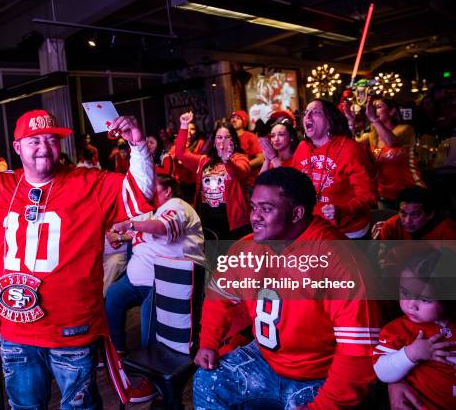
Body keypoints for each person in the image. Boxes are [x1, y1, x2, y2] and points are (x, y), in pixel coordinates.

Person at [0, 109, 155, 409]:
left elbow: (140, 194)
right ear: (17, 147)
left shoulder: (88, 182)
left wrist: (138, 146)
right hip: (16, 328)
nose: (44, 147)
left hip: (73, 328)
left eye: (52, 140)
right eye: (34, 140)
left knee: (78, 407)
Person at [193, 167, 380, 409]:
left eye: (267, 209)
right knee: (207, 381)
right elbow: (219, 295)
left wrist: (321, 407)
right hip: (265, 358)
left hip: (320, 373)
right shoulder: (247, 247)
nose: (255, 216)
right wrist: (208, 341)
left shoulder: (338, 258)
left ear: (296, 213)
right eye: (253, 207)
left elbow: (358, 351)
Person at [105, 175, 205, 402]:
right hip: (136, 279)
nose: (148, 193)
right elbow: (138, 234)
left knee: (149, 312)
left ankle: (152, 378)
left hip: (170, 282)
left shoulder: (177, 206)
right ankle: (119, 352)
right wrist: (120, 237)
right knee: (112, 295)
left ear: (168, 190)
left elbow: (161, 228)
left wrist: (129, 224)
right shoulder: (152, 212)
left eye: (154, 189)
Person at [373, 247, 456, 409]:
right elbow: (381, 371)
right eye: (405, 293)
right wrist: (411, 354)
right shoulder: (399, 329)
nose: (411, 305)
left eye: (425, 300)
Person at [292, 99, 377, 239]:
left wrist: (341, 210)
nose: (307, 116)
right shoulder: (302, 148)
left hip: (349, 231)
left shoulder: (351, 149)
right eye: (306, 112)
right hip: (315, 229)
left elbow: (368, 197)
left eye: (316, 112)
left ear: (329, 121)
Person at [175, 111, 251, 240]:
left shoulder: (240, 158)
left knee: (233, 259)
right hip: (208, 220)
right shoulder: (204, 161)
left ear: (233, 140)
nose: (223, 141)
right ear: (214, 141)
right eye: (219, 137)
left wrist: (228, 161)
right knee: (213, 258)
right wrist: (183, 125)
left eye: (227, 137)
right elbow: (181, 153)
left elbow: (239, 173)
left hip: (233, 222)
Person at [366, 97, 425, 209]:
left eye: (378, 107)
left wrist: (374, 120)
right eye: (373, 108)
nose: (374, 111)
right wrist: (350, 120)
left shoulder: (406, 129)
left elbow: (391, 143)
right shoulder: (373, 136)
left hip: (410, 194)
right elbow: (354, 141)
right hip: (384, 195)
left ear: (392, 111)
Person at [377, 186, 456, 240]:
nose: (407, 221)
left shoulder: (446, 230)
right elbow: (381, 259)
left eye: (415, 215)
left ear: (430, 214)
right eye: (403, 214)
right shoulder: (391, 226)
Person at [230, 110, 264, 186]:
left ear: (244, 121)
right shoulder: (227, 137)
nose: (234, 120)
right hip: (232, 181)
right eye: (232, 117)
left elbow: (260, 159)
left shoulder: (250, 136)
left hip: (248, 181)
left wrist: (241, 166)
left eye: (238, 118)